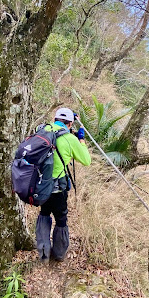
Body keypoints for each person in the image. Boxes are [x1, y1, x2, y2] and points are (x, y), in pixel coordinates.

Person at [36, 107, 91, 264]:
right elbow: (87, 160)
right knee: (61, 218)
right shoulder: (70, 139)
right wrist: (81, 140)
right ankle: (59, 254)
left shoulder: (42, 129)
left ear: (55, 119)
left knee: (44, 213)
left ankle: (43, 253)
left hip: (40, 186)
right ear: (70, 124)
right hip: (57, 189)